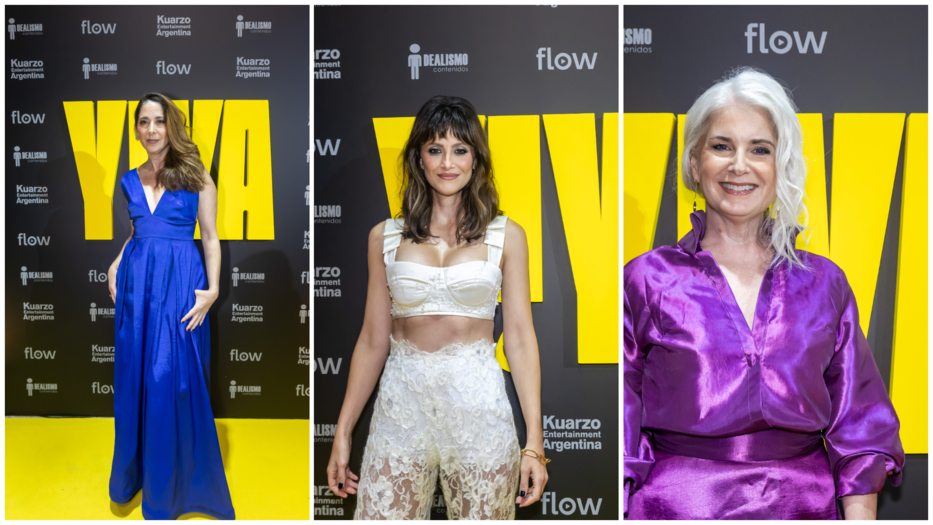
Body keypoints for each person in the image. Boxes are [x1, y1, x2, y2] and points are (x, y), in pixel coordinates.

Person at [623, 68, 905, 520]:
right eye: (721, 146)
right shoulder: (646, 279)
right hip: (677, 508)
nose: (739, 165)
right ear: (695, 163)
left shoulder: (825, 282)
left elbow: (859, 424)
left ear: (781, 166)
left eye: (760, 149)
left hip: (805, 508)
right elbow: (621, 421)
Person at [326, 95, 549, 519]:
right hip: (401, 409)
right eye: (435, 149)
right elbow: (374, 340)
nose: (448, 162)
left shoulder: (507, 235)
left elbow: (519, 339)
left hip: (478, 410)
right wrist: (343, 433)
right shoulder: (384, 237)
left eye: (460, 149)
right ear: (419, 158)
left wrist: (534, 445)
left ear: (476, 158)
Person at [108, 93, 234, 520]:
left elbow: (211, 238)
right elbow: (137, 232)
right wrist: (117, 262)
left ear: (172, 126)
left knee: (169, 381)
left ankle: (173, 489)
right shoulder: (129, 179)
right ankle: (135, 478)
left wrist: (213, 289)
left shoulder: (196, 175)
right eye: (143, 122)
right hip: (137, 288)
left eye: (158, 121)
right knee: (136, 381)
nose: (150, 130)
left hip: (181, 285)